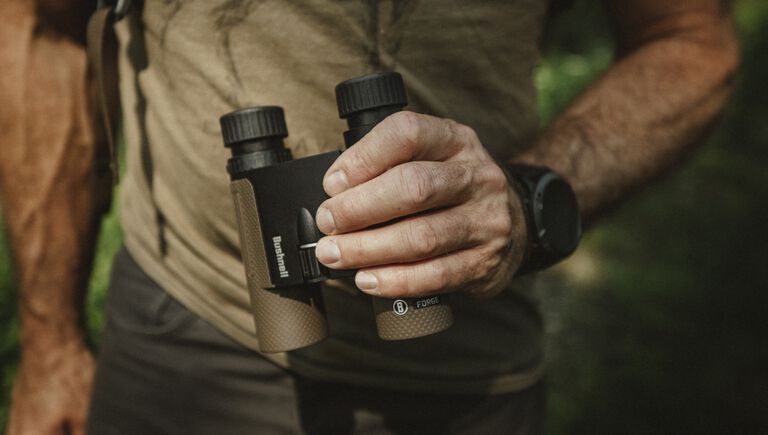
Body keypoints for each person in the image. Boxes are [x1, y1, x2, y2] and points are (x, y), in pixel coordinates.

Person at [0, 0, 739, 434]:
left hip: (465, 348)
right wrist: (51, 343)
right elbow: (41, 28)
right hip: (185, 321)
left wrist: (525, 198)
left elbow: (690, 39)